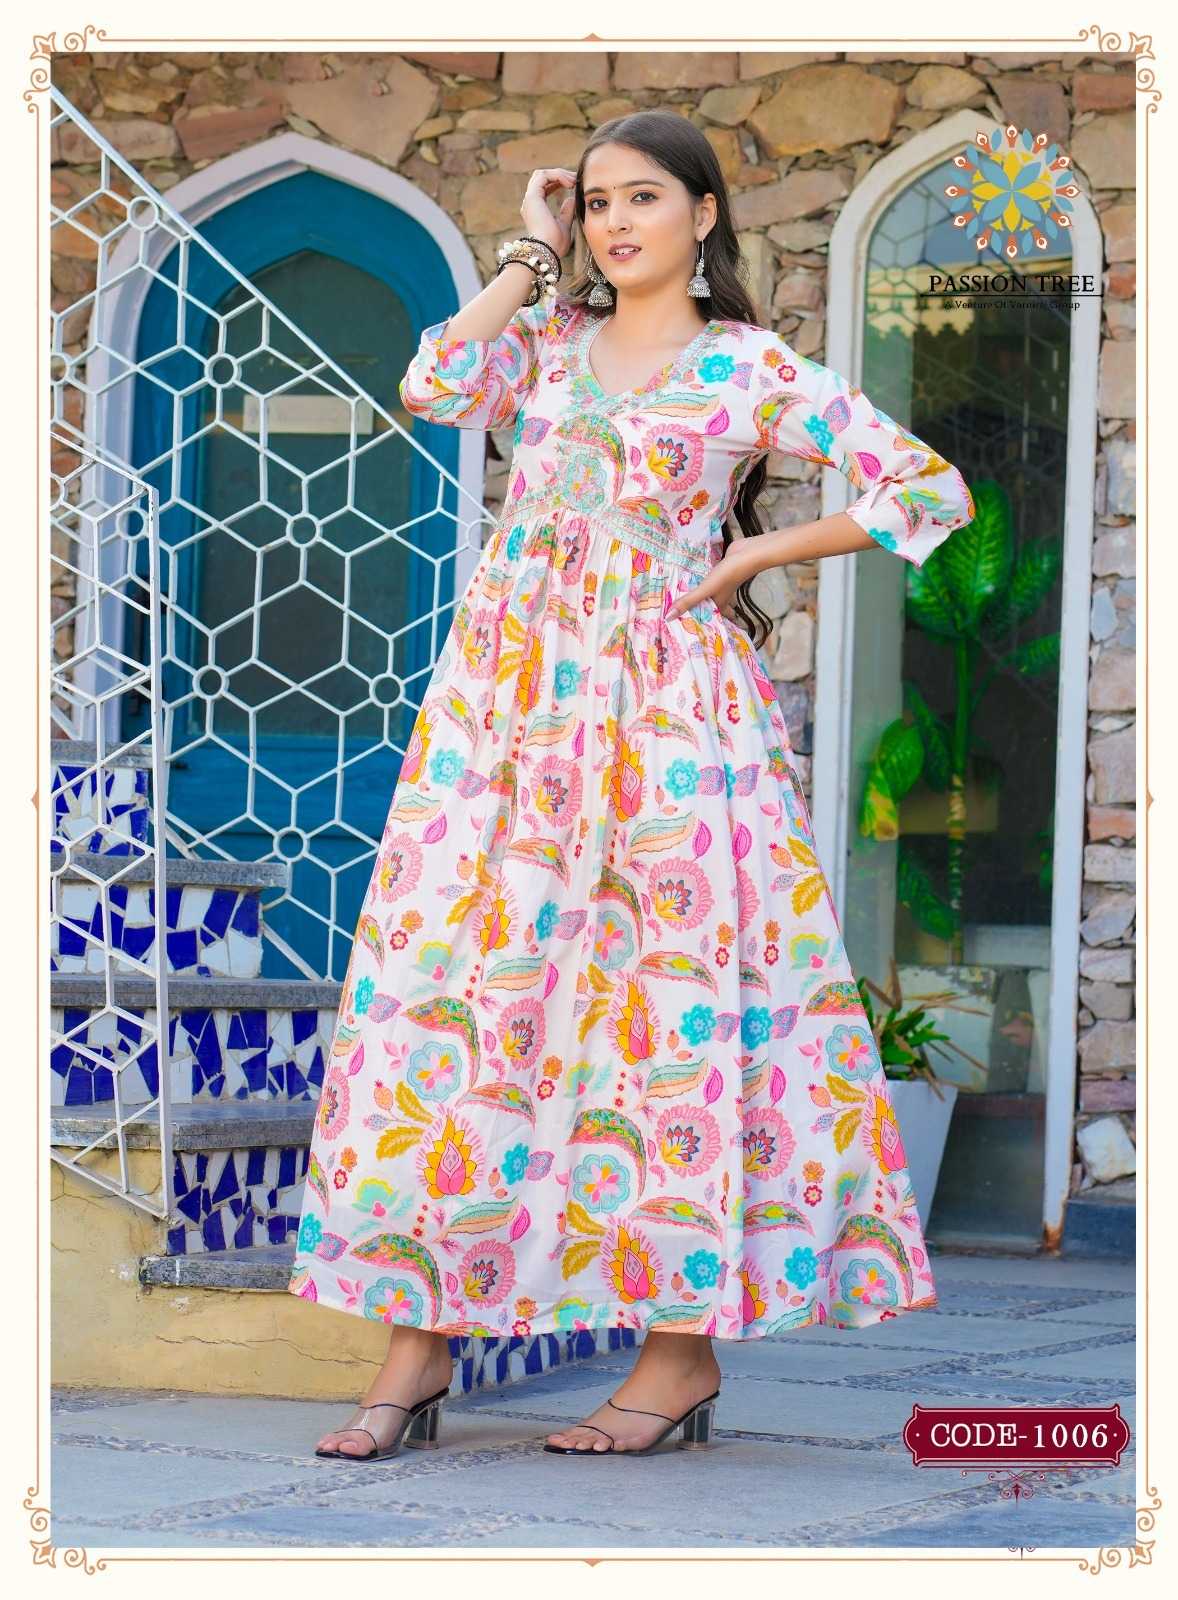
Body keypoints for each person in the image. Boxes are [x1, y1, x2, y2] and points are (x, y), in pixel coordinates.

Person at [288, 109, 975, 1461]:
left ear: (703, 214)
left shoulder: (747, 367)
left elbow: (925, 490)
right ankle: (415, 1346)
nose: (614, 222)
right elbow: (433, 382)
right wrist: (527, 255)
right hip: (504, 716)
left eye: (641, 197)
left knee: (665, 1014)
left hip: (666, 719)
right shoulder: (548, 343)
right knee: (456, 1005)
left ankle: (676, 1359)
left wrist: (752, 557)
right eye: (596, 201)